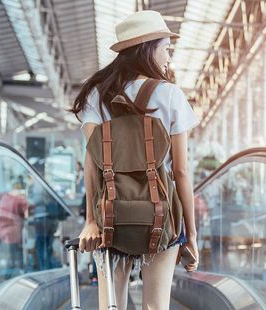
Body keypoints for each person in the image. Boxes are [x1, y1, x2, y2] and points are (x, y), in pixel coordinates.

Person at [68, 10, 200, 309]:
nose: (169, 58)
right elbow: (180, 171)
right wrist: (190, 235)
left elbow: (92, 162)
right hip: (162, 215)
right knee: (155, 306)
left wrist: (90, 220)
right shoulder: (170, 95)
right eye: (166, 49)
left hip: (110, 216)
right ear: (149, 48)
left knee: (110, 305)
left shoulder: (96, 95)